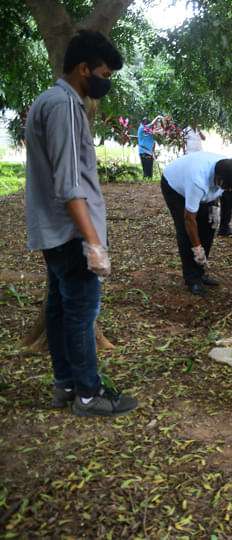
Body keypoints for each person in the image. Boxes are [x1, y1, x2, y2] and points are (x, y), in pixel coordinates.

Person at [24, 30, 137, 416]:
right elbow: (70, 184)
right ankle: (89, 394)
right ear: (84, 68)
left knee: (60, 308)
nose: (106, 82)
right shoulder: (66, 107)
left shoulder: (47, 101)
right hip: (72, 232)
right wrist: (94, 243)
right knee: (80, 313)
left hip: (54, 231)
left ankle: (66, 385)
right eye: (104, 74)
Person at [161, 152, 232, 296]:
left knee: (209, 225)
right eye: (227, 188)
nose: (228, 191)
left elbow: (216, 193)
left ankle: (200, 272)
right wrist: (197, 248)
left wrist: (214, 208)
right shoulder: (197, 181)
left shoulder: (227, 171)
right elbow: (189, 218)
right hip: (174, 187)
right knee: (186, 232)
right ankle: (192, 278)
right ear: (219, 180)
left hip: (199, 181)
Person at [137, 116, 155, 181]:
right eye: (145, 121)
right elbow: (152, 124)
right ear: (143, 122)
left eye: (147, 121)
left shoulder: (149, 132)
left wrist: (153, 153)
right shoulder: (142, 128)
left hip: (150, 152)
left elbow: (153, 143)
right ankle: (145, 181)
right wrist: (158, 117)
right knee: (146, 169)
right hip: (143, 151)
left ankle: (149, 181)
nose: (147, 122)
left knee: (150, 169)